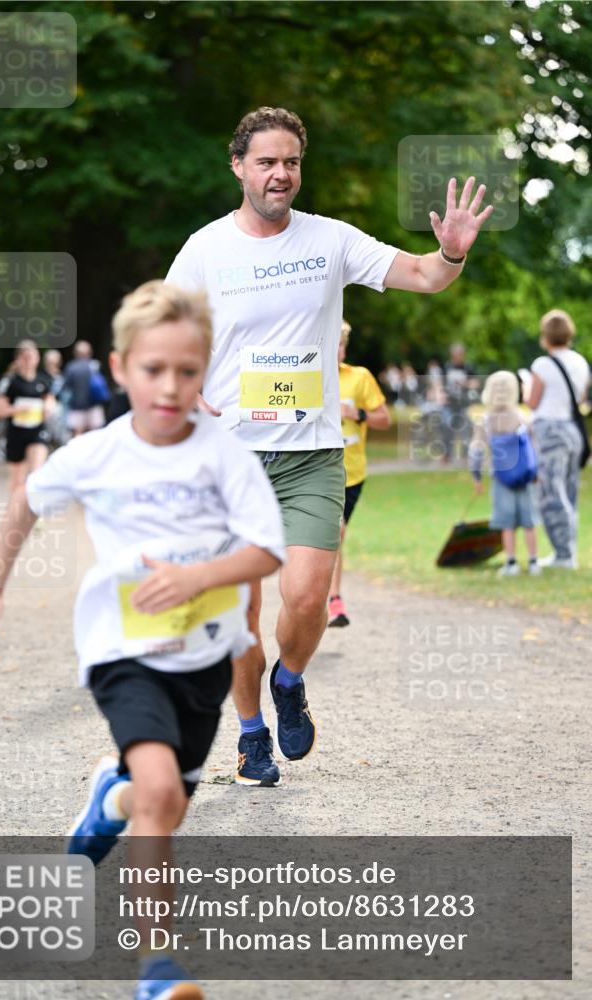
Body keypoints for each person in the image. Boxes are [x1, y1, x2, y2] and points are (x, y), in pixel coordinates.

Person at [0, 282, 285, 1000]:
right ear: (120, 369)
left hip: (206, 655)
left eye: (186, 370)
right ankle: (158, 967)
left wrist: (198, 575)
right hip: (123, 652)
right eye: (153, 370)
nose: (170, 387)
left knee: (162, 803)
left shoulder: (223, 455)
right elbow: (27, 501)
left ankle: (104, 807)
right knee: (159, 786)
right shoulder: (96, 452)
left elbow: (267, 549)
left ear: (204, 370)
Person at [166, 105, 494, 786]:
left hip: (312, 455)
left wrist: (452, 251)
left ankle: (290, 680)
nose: (279, 173)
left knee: (308, 599)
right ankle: (251, 735)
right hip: (229, 458)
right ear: (238, 167)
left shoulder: (330, 240)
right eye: (265, 162)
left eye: (289, 161)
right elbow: (163, 330)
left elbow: (425, 276)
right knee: (239, 612)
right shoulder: (204, 249)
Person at [328, 320, 390, 626]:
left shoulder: (359, 377)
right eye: (332, 344)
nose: (337, 350)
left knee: (336, 534)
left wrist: (358, 413)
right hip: (318, 471)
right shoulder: (306, 377)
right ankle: (333, 600)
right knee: (334, 531)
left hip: (352, 472)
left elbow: (384, 419)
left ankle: (329, 597)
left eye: (341, 345)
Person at [527, 309, 590, 569]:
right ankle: (566, 552)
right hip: (573, 430)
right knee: (569, 492)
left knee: (551, 494)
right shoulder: (580, 361)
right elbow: (582, 399)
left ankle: (564, 556)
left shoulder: (542, 365)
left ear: (546, 336)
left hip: (550, 432)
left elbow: (533, 402)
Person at [469, 370, 540, 576]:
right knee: (528, 520)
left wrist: (476, 477)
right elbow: (534, 448)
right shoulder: (522, 418)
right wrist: (536, 472)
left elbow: (477, 450)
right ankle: (533, 561)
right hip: (525, 476)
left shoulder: (485, 420)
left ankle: (511, 562)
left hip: (500, 477)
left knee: (506, 522)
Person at [0, 340, 55, 494]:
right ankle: (15, 511)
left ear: (38, 358)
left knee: (36, 474)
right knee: (17, 481)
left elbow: (50, 400)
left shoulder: (43, 380)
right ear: (18, 359)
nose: (28, 360)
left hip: (37, 431)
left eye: (32, 356)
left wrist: (48, 407)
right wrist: (16, 409)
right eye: (25, 357)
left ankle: (35, 512)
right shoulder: (10, 381)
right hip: (16, 433)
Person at [442, 342, 480, 463]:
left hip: (463, 404)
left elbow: (476, 383)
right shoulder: (447, 367)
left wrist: (466, 384)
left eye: (460, 354)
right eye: (456, 354)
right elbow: (441, 383)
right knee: (447, 428)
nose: (458, 356)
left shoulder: (468, 367)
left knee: (465, 430)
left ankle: (465, 456)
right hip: (449, 403)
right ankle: (447, 455)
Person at [63, 340, 107, 436]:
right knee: (95, 436)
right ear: (90, 352)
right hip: (94, 405)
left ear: (75, 353)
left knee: (77, 437)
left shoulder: (71, 367)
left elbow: (66, 386)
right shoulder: (95, 365)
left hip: (77, 406)